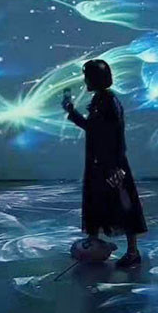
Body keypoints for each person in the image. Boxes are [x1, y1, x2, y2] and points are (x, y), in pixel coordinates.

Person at [62, 59, 147, 268]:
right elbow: (94, 129)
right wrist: (72, 112)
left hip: (110, 163)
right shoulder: (101, 100)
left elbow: (113, 134)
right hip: (100, 162)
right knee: (98, 202)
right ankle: (95, 245)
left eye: (87, 77)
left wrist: (116, 166)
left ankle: (133, 252)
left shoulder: (108, 102)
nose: (85, 81)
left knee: (123, 205)